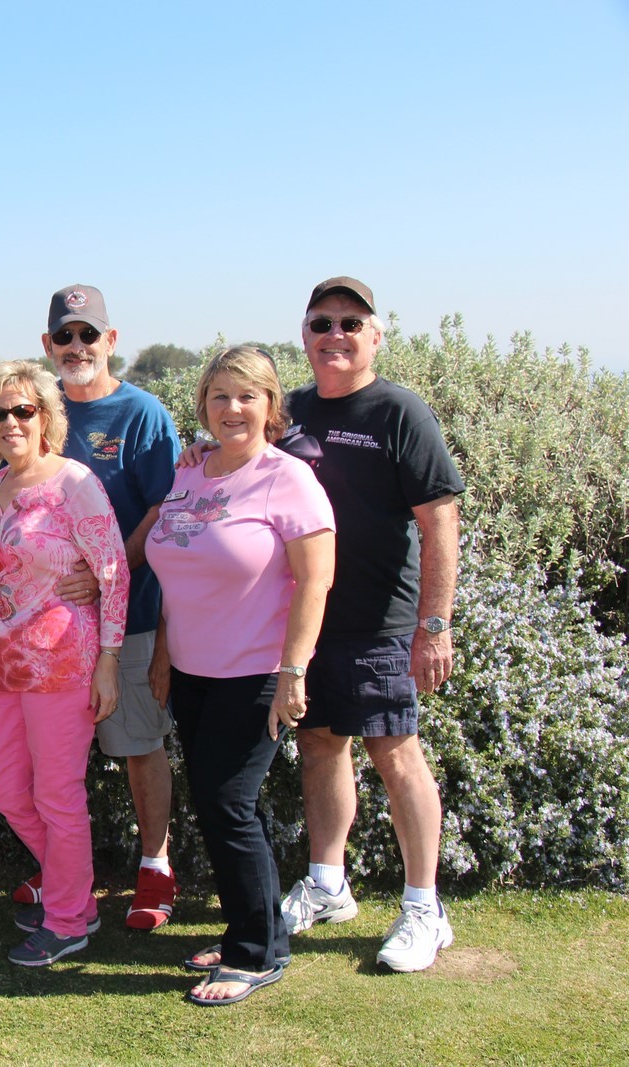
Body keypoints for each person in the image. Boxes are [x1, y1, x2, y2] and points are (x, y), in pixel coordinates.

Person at [277, 277, 465, 972]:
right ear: (304, 334)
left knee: (395, 752)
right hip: (308, 619)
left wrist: (435, 623)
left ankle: (425, 905)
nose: (335, 334)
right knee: (322, 745)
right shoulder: (288, 410)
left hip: (382, 620)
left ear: (375, 335)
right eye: (322, 322)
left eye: (351, 323)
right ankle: (328, 884)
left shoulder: (400, 411)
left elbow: (439, 518)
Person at [146, 346, 335, 1006]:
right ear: (203, 405)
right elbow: (178, 565)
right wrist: (164, 651)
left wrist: (293, 671)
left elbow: (316, 580)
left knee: (227, 805)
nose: (233, 408)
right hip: (193, 672)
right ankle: (254, 932)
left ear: (270, 405)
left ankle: (254, 955)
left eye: (247, 395)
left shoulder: (289, 480)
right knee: (228, 807)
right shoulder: (191, 473)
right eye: (220, 396)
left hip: (255, 673)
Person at [12, 284, 183, 930]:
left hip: (129, 617)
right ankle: (60, 867)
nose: (77, 347)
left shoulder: (142, 414)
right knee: (53, 758)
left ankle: (155, 865)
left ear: (111, 341)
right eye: (65, 336)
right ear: (47, 346)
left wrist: (109, 572)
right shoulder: (40, 413)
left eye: (89, 335)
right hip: (48, 634)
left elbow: (165, 510)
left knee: (138, 743)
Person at [0, 360, 129, 966]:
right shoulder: (0, 483)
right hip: (6, 663)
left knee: (58, 796)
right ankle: (73, 891)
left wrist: (109, 660)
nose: (10, 422)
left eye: (22, 410)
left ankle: (68, 920)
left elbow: (112, 573)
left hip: (65, 660)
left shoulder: (74, 482)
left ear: (44, 417)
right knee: (8, 790)